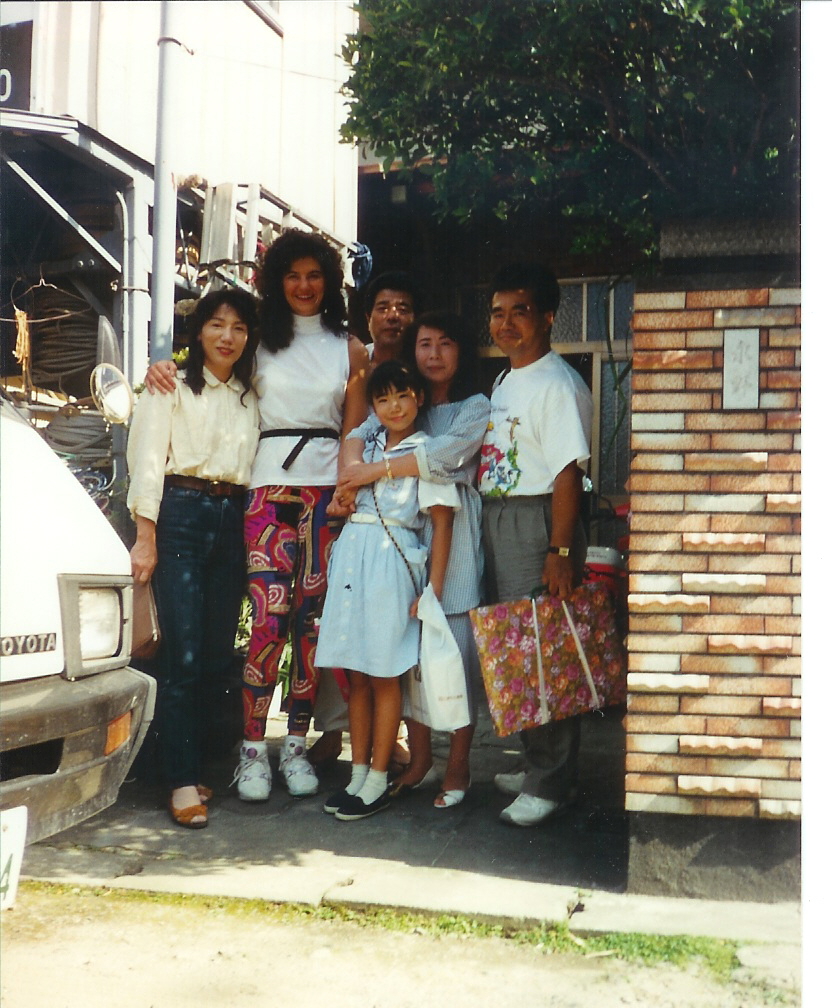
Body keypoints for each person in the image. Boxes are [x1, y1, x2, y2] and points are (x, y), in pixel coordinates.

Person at [144, 229, 369, 802]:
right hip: (265, 490)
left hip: (324, 494)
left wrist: (345, 488)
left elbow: (353, 430)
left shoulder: (351, 348)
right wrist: (160, 367)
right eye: (292, 274)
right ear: (277, 281)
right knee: (267, 622)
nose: (303, 285)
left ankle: (295, 745)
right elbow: (211, 373)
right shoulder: (259, 336)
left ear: (330, 281)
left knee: (311, 627)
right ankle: (250, 752)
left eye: (314, 274)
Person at [334, 311, 490, 807]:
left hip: (456, 535)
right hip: (410, 545)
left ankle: (459, 765)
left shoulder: (475, 406)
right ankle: (420, 760)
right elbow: (359, 433)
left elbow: (441, 458)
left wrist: (365, 473)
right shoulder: (407, 411)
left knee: (456, 651)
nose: (435, 354)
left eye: (446, 343)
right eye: (425, 345)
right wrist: (353, 469)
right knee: (414, 659)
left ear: (461, 351)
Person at [127, 288, 261, 828]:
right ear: (198, 331)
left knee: (212, 655)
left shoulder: (253, 396)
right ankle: (180, 781)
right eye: (216, 325)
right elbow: (146, 462)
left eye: (238, 328)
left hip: (233, 521)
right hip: (179, 513)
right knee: (179, 658)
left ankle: (187, 766)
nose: (227, 337)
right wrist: (145, 536)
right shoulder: (170, 387)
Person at [316, 360, 459, 820]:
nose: (393, 407)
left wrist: (432, 589)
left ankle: (379, 776)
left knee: (384, 673)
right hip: (353, 558)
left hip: (392, 566)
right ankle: (357, 773)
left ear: (419, 397)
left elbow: (441, 522)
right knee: (356, 674)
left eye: (402, 396)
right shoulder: (369, 444)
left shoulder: (426, 452)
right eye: (383, 399)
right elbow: (349, 471)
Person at [478, 262, 593, 827]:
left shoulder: (559, 383)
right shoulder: (504, 380)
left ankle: (552, 780)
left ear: (548, 317)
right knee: (514, 645)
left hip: (539, 521)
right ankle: (534, 762)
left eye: (519, 311)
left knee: (544, 648)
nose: (505, 324)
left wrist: (561, 551)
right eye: (497, 313)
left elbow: (568, 474)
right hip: (499, 518)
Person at [307, 269, 419, 771]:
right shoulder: (354, 360)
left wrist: (361, 476)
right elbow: (349, 429)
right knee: (341, 625)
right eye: (383, 307)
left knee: (390, 635)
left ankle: (384, 742)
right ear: (368, 316)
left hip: (399, 516)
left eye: (402, 306)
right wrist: (347, 482)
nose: (393, 315)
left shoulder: (420, 364)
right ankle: (335, 731)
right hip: (348, 507)